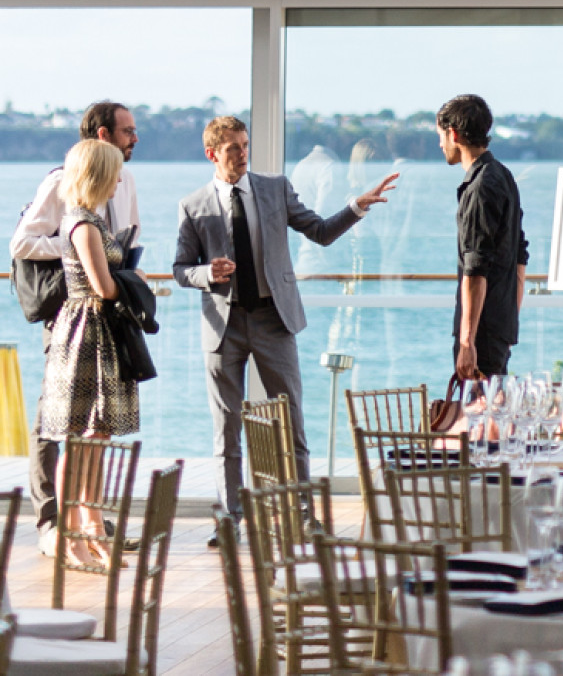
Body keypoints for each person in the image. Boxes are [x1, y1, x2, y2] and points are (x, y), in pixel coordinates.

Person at [174, 113, 398, 541]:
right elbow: (180, 269)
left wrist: (356, 207)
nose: (243, 154)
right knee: (226, 429)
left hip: (274, 319)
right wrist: (206, 273)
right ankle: (229, 520)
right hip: (223, 326)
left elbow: (319, 231)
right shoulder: (194, 205)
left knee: (291, 421)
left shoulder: (274, 188)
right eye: (233, 149)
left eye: (245, 144)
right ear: (212, 155)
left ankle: (302, 514)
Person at [9, 101, 141, 550]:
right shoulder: (62, 183)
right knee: (58, 417)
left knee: (94, 426)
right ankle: (52, 522)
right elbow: (23, 242)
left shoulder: (126, 181)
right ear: (102, 136)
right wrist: (77, 248)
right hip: (72, 315)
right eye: (127, 131)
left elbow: (131, 238)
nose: (134, 139)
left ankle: (90, 522)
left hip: (107, 323)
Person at [436, 94, 530, 382]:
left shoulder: (479, 188)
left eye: (440, 136)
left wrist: (467, 343)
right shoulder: (502, 175)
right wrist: (509, 312)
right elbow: (519, 256)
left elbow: (474, 269)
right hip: (499, 324)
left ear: (453, 134)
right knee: (493, 417)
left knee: (480, 419)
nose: (440, 144)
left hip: (482, 332)